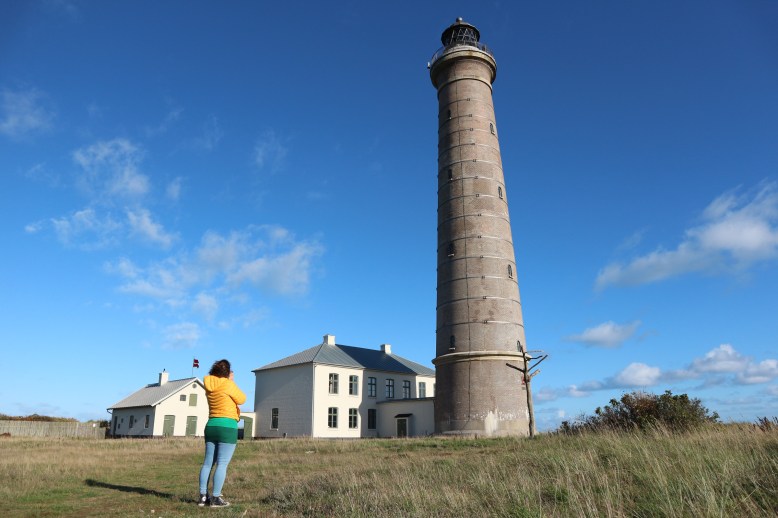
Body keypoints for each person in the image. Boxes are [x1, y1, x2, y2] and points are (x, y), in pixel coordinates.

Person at [198, 359, 246, 508]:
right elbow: (242, 399)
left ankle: (203, 497)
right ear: (227, 372)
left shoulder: (208, 383)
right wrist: (230, 380)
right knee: (222, 464)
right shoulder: (228, 383)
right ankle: (216, 498)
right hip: (227, 426)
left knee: (207, 463)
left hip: (211, 424)